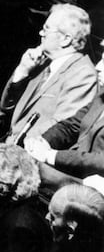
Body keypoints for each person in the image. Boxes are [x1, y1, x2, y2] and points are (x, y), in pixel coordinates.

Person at [0, 3, 97, 143]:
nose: (41, 33)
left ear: (66, 39)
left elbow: (61, 127)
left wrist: (17, 142)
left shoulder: (83, 74)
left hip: (31, 151)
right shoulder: (43, 63)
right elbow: (7, 107)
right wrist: (22, 71)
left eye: (46, 29)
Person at [25, 42, 104, 193]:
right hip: (74, 178)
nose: (98, 67)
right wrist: (42, 141)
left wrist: (50, 155)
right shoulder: (101, 95)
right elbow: (71, 125)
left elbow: (101, 161)